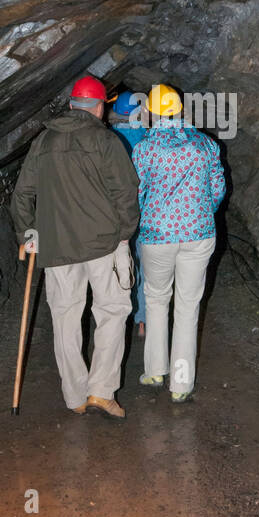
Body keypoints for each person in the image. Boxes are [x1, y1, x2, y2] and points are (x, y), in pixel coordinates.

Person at [10, 75, 139, 419]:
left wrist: (28, 233)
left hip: (58, 248)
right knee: (111, 312)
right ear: (99, 108)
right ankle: (101, 391)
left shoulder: (42, 143)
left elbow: (22, 194)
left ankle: (75, 396)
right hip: (104, 244)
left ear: (70, 106)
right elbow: (126, 193)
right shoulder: (105, 141)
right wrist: (126, 232)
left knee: (65, 319)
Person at [133, 83, 226, 403]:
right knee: (188, 307)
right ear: (180, 109)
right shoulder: (206, 145)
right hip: (198, 235)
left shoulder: (145, 148)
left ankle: (155, 369)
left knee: (156, 299)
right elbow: (217, 190)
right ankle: (181, 384)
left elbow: (137, 193)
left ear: (153, 112)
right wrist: (198, 217)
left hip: (156, 235)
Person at [107, 90, 148, 337]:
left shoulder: (107, 139)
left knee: (120, 266)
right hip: (147, 214)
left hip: (117, 215)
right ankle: (142, 319)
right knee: (146, 267)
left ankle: (119, 318)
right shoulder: (149, 138)